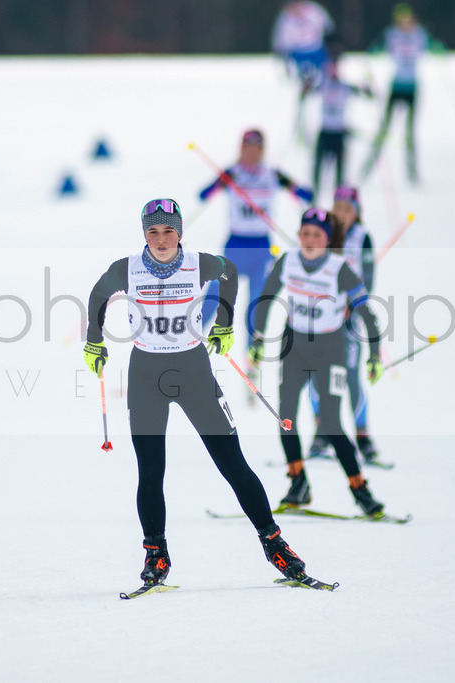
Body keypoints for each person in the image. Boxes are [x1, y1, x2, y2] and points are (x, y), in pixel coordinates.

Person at [83, 198, 312, 587]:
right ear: (144, 233)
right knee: (151, 471)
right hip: (146, 377)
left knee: (232, 464)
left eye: (169, 230)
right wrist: (94, 341)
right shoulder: (127, 268)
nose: (161, 239)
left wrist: (223, 323)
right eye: (153, 231)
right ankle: (156, 554)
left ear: (180, 232)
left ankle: (274, 543)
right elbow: (98, 295)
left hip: (193, 373)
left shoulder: (198, 262)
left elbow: (230, 272)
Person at [248, 207, 386, 516]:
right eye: (305, 234)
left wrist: (375, 354)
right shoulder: (287, 261)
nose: (310, 240)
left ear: (328, 240)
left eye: (317, 235)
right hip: (295, 345)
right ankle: (298, 482)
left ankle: (360, 490)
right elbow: (266, 297)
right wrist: (257, 337)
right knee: (286, 417)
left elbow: (366, 312)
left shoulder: (340, 269)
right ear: (299, 235)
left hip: (331, 349)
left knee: (332, 422)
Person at [197, 129, 313, 350]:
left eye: (256, 149)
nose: (251, 153)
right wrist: (222, 182)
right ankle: (191, 341)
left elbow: (306, 195)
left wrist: (297, 191)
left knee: (255, 304)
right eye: (247, 148)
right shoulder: (232, 173)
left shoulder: (272, 174)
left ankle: (252, 351)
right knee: (214, 296)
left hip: (261, 248)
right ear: (241, 149)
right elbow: (203, 195)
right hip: (235, 246)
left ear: (262, 150)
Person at [305, 187, 382, 465]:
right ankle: (321, 431)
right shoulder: (322, 233)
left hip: (349, 317)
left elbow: (369, 278)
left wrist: (355, 301)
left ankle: (363, 437)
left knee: (349, 376)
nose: (342, 213)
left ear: (357, 212)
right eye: (337, 206)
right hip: (321, 317)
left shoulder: (363, 238)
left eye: (347, 208)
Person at [359, 3, 445, 184]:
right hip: (396, 87)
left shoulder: (420, 34)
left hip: (412, 88)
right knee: (384, 130)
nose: (405, 24)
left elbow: (439, 51)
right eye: (401, 20)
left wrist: (436, 43)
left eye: (408, 20)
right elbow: (374, 51)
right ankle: (366, 170)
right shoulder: (391, 34)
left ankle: (412, 173)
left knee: (410, 133)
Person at [307, 60, 374, 202]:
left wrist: (366, 86)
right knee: (317, 170)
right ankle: (314, 200)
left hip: (339, 133)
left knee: (340, 173)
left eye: (335, 69)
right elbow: (306, 93)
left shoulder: (345, 86)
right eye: (330, 69)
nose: (333, 72)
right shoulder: (323, 84)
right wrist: (306, 84)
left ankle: (339, 202)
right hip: (325, 132)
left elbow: (367, 95)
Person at [272, 1, 337, 97]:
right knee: (306, 76)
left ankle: (328, 93)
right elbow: (281, 37)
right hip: (299, 52)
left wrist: (331, 40)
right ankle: (306, 95)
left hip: (316, 48)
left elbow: (327, 25)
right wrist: (281, 52)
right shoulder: (286, 18)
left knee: (326, 72)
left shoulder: (313, 10)